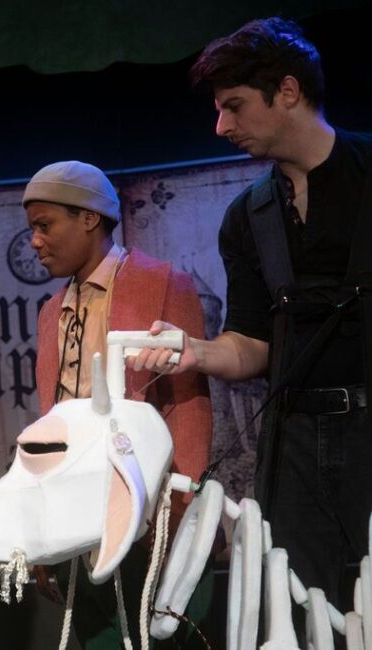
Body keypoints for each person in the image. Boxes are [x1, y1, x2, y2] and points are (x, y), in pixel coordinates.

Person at [134, 17, 372, 612]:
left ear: (287, 92)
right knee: (304, 609)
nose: (221, 126)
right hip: (293, 442)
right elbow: (251, 344)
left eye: (234, 107)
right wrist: (197, 351)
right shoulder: (248, 217)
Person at [23, 160, 213, 648]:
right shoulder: (51, 312)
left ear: (89, 217)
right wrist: (42, 530)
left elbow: (188, 408)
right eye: (32, 229)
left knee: (150, 634)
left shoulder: (163, 283)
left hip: (144, 512)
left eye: (45, 226)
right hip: (75, 517)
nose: (35, 242)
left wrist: (176, 515)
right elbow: (51, 421)